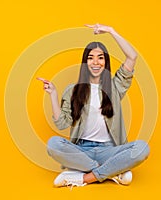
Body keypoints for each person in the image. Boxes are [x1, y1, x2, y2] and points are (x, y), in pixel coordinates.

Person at [37, 24, 150, 188]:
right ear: (85, 63)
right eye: (90, 58)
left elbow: (132, 57)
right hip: (82, 151)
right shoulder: (72, 90)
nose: (95, 62)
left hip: (110, 151)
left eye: (100, 57)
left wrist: (112, 31)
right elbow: (61, 123)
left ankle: (83, 178)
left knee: (142, 148)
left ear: (106, 62)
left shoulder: (115, 87)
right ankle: (112, 172)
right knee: (53, 144)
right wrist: (53, 95)